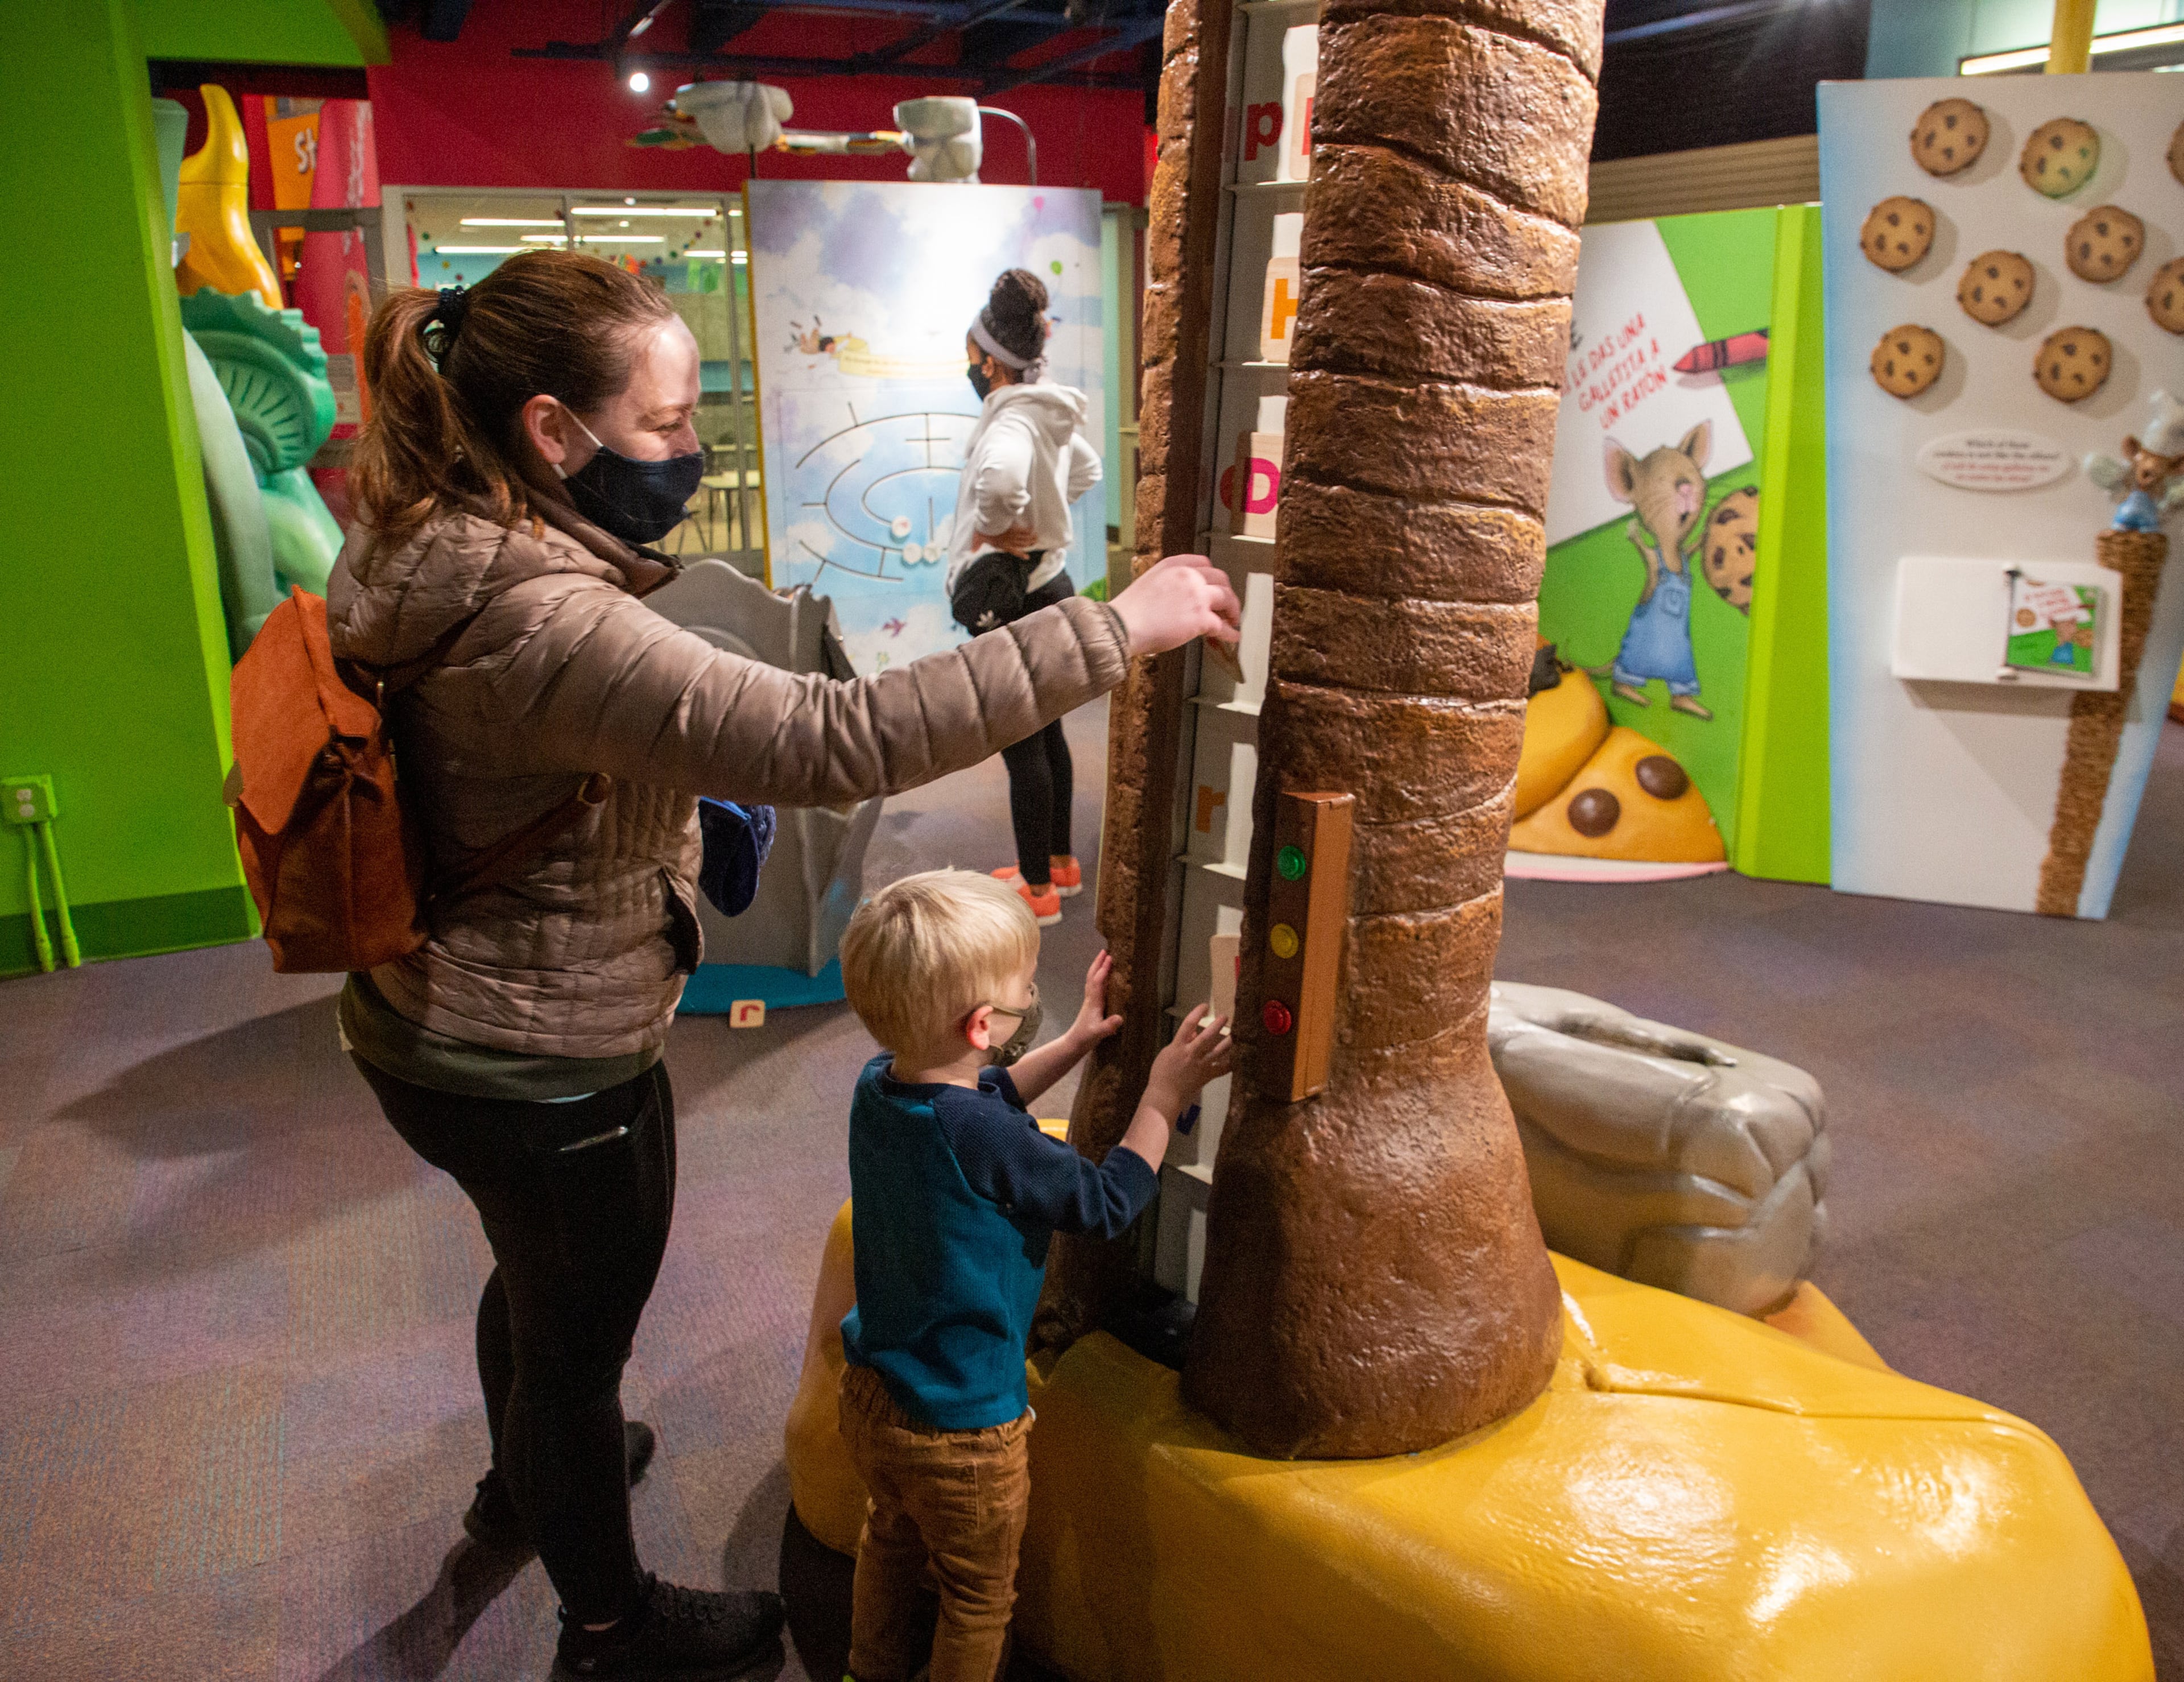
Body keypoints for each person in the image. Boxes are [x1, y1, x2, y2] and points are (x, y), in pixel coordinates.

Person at [326, 249, 1238, 1682]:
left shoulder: (419, 530)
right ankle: (610, 1621)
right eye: (665, 422)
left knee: (536, 1281)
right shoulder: (538, 611)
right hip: (537, 1053)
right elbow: (834, 737)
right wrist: (1110, 630)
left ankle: (527, 1480)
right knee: (577, 1333)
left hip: (431, 1015)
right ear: (552, 433)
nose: (693, 450)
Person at [833, 870, 1232, 1682]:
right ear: (985, 1023)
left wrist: (1077, 1040)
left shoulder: (880, 1088)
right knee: (977, 1601)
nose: (1029, 996)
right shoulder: (990, 1138)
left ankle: (865, 1671)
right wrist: (1162, 1094)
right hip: (964, 1428)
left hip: (874, 1396)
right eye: (1023, 989)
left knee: (890, 1536)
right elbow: (1107, 1199)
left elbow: (983, 1097)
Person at [945, 268, 1103, 927]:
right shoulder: (1048, 417)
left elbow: (1002, 484)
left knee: (1021, 740)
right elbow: (1089, 469)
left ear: (990, 361)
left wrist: (998, 526)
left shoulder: (1009, 424)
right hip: (1051, 588)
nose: (969, 367)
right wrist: (1042, 526)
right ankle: (1059, 865)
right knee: (1050, 730)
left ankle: (1036, 887)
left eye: (971, 357)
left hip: (1013, 598)